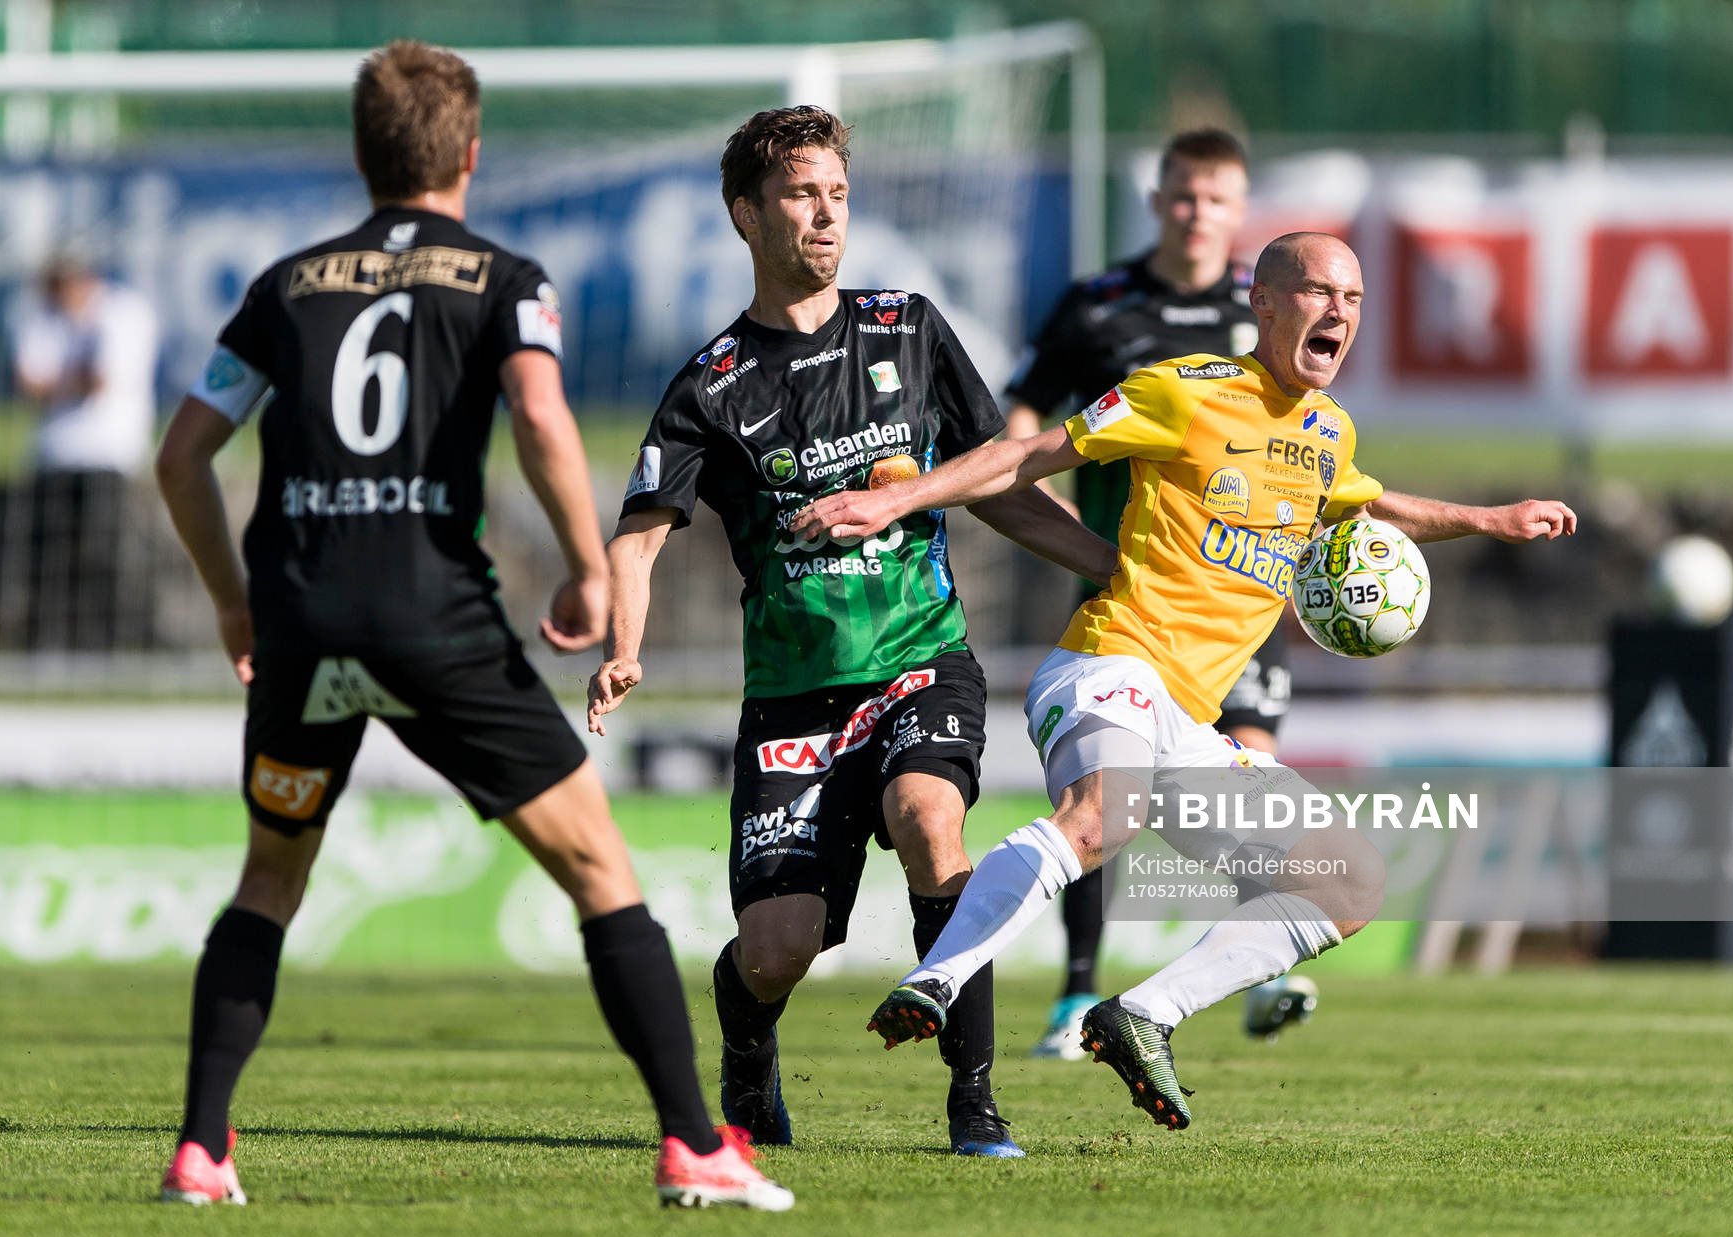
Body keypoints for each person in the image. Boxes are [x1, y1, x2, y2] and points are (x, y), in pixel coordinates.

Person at [151, 40, 790, 1212]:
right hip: (430, 619)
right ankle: (696, 1144)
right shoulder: (504, 277)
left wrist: (234, 600)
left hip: (303, 624)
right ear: (471, 153)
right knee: (600, 869)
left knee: (268, 881)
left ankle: (200, 1150)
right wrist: (591, 567)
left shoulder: (284, 284)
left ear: (363, 154)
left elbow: (182, 453)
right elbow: (540, 415)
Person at [794, 232, 1577, 1129]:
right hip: (1109, 663)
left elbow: (1370, 503)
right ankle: (939, 978)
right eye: (1319, 292)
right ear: (1264, 302)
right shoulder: (1185, 390)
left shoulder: (1329, 432)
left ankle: (1143, 1015)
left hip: (1190, 724)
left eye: (1354, 299)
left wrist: (1490, 518)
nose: (1339, 312)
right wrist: (894, 498)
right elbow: (1028, 454)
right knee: (1104, 816)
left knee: (1349, 882)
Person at [589, 106, 1115, 1159]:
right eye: (800, 194)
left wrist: (1116, 567)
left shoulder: (907, 328)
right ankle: (747, 1053)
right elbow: (637, 541)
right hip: (794, 697)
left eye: (836, 192)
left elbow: (999, 485)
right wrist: (622, 647)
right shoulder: (709, 386)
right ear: (746, 214)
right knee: (776, 950)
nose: (826, 214)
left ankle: (975, 1102)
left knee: (930, 820)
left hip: (921, 657)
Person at [1003, 129, 1311, 1057]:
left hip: (1242, 599)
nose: (1196, 214)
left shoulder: (1263, 311)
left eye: (1215, 199)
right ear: (1157, 202)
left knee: (1251, 772)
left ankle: (1263, 962)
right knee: (1109, 796)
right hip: (1132, 589)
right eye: (1182, 196)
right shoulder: (1098, 306)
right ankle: (1076, 994)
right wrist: (1052, 512)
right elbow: (1025, 414)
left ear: (1239, 209)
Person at [11, 253, 159, 648]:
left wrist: (56, 383)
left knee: (104, 552)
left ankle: (110, 641)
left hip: (109, 453)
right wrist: (69, 381)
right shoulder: (40, 314)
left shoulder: (122, 312)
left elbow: (99, 381)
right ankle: (51, 641)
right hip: (52, 455)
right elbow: (28, 384)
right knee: (49, 556)